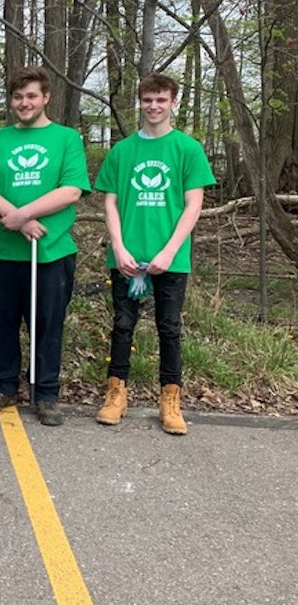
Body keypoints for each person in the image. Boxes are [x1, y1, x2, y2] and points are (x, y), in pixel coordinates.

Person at [0, 66, 90, 426]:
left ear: (46, 97)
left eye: (31, 96)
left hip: (50, 252)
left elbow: (71, 190)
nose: (24, 102)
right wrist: (14, 218)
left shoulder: (67, 139)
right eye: (18, 97)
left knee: (48, 322)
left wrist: (24, 215)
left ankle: (46, 392)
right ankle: (3, 384)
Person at [94, 73, 215, 435]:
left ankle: (170, 398)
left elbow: (194, 205)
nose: (154, 106)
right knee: (122, 326)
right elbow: (110, 203)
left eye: (161, 100)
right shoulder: (122, 151)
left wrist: (170, 250)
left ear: (173, 102)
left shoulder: (187, 149)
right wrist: (118, 246)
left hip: (170, 259)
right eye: (148, 100)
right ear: (140, 102)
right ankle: (116, 394)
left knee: (169, 328)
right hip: (127, 256)